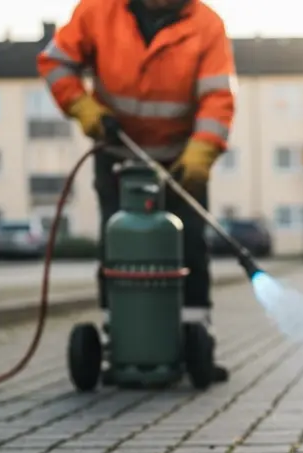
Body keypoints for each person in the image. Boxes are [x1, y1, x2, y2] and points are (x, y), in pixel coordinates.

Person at [38, 0, 235, 382]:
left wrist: (203, 150)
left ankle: (195, 337)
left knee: (189, 243)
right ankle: (120, 335)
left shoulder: (206, 24)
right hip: (118, 155)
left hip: (182, 160)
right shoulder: (98, 11)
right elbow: (55, 62)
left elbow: (218, 96)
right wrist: (83, 107)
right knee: (117, 242)